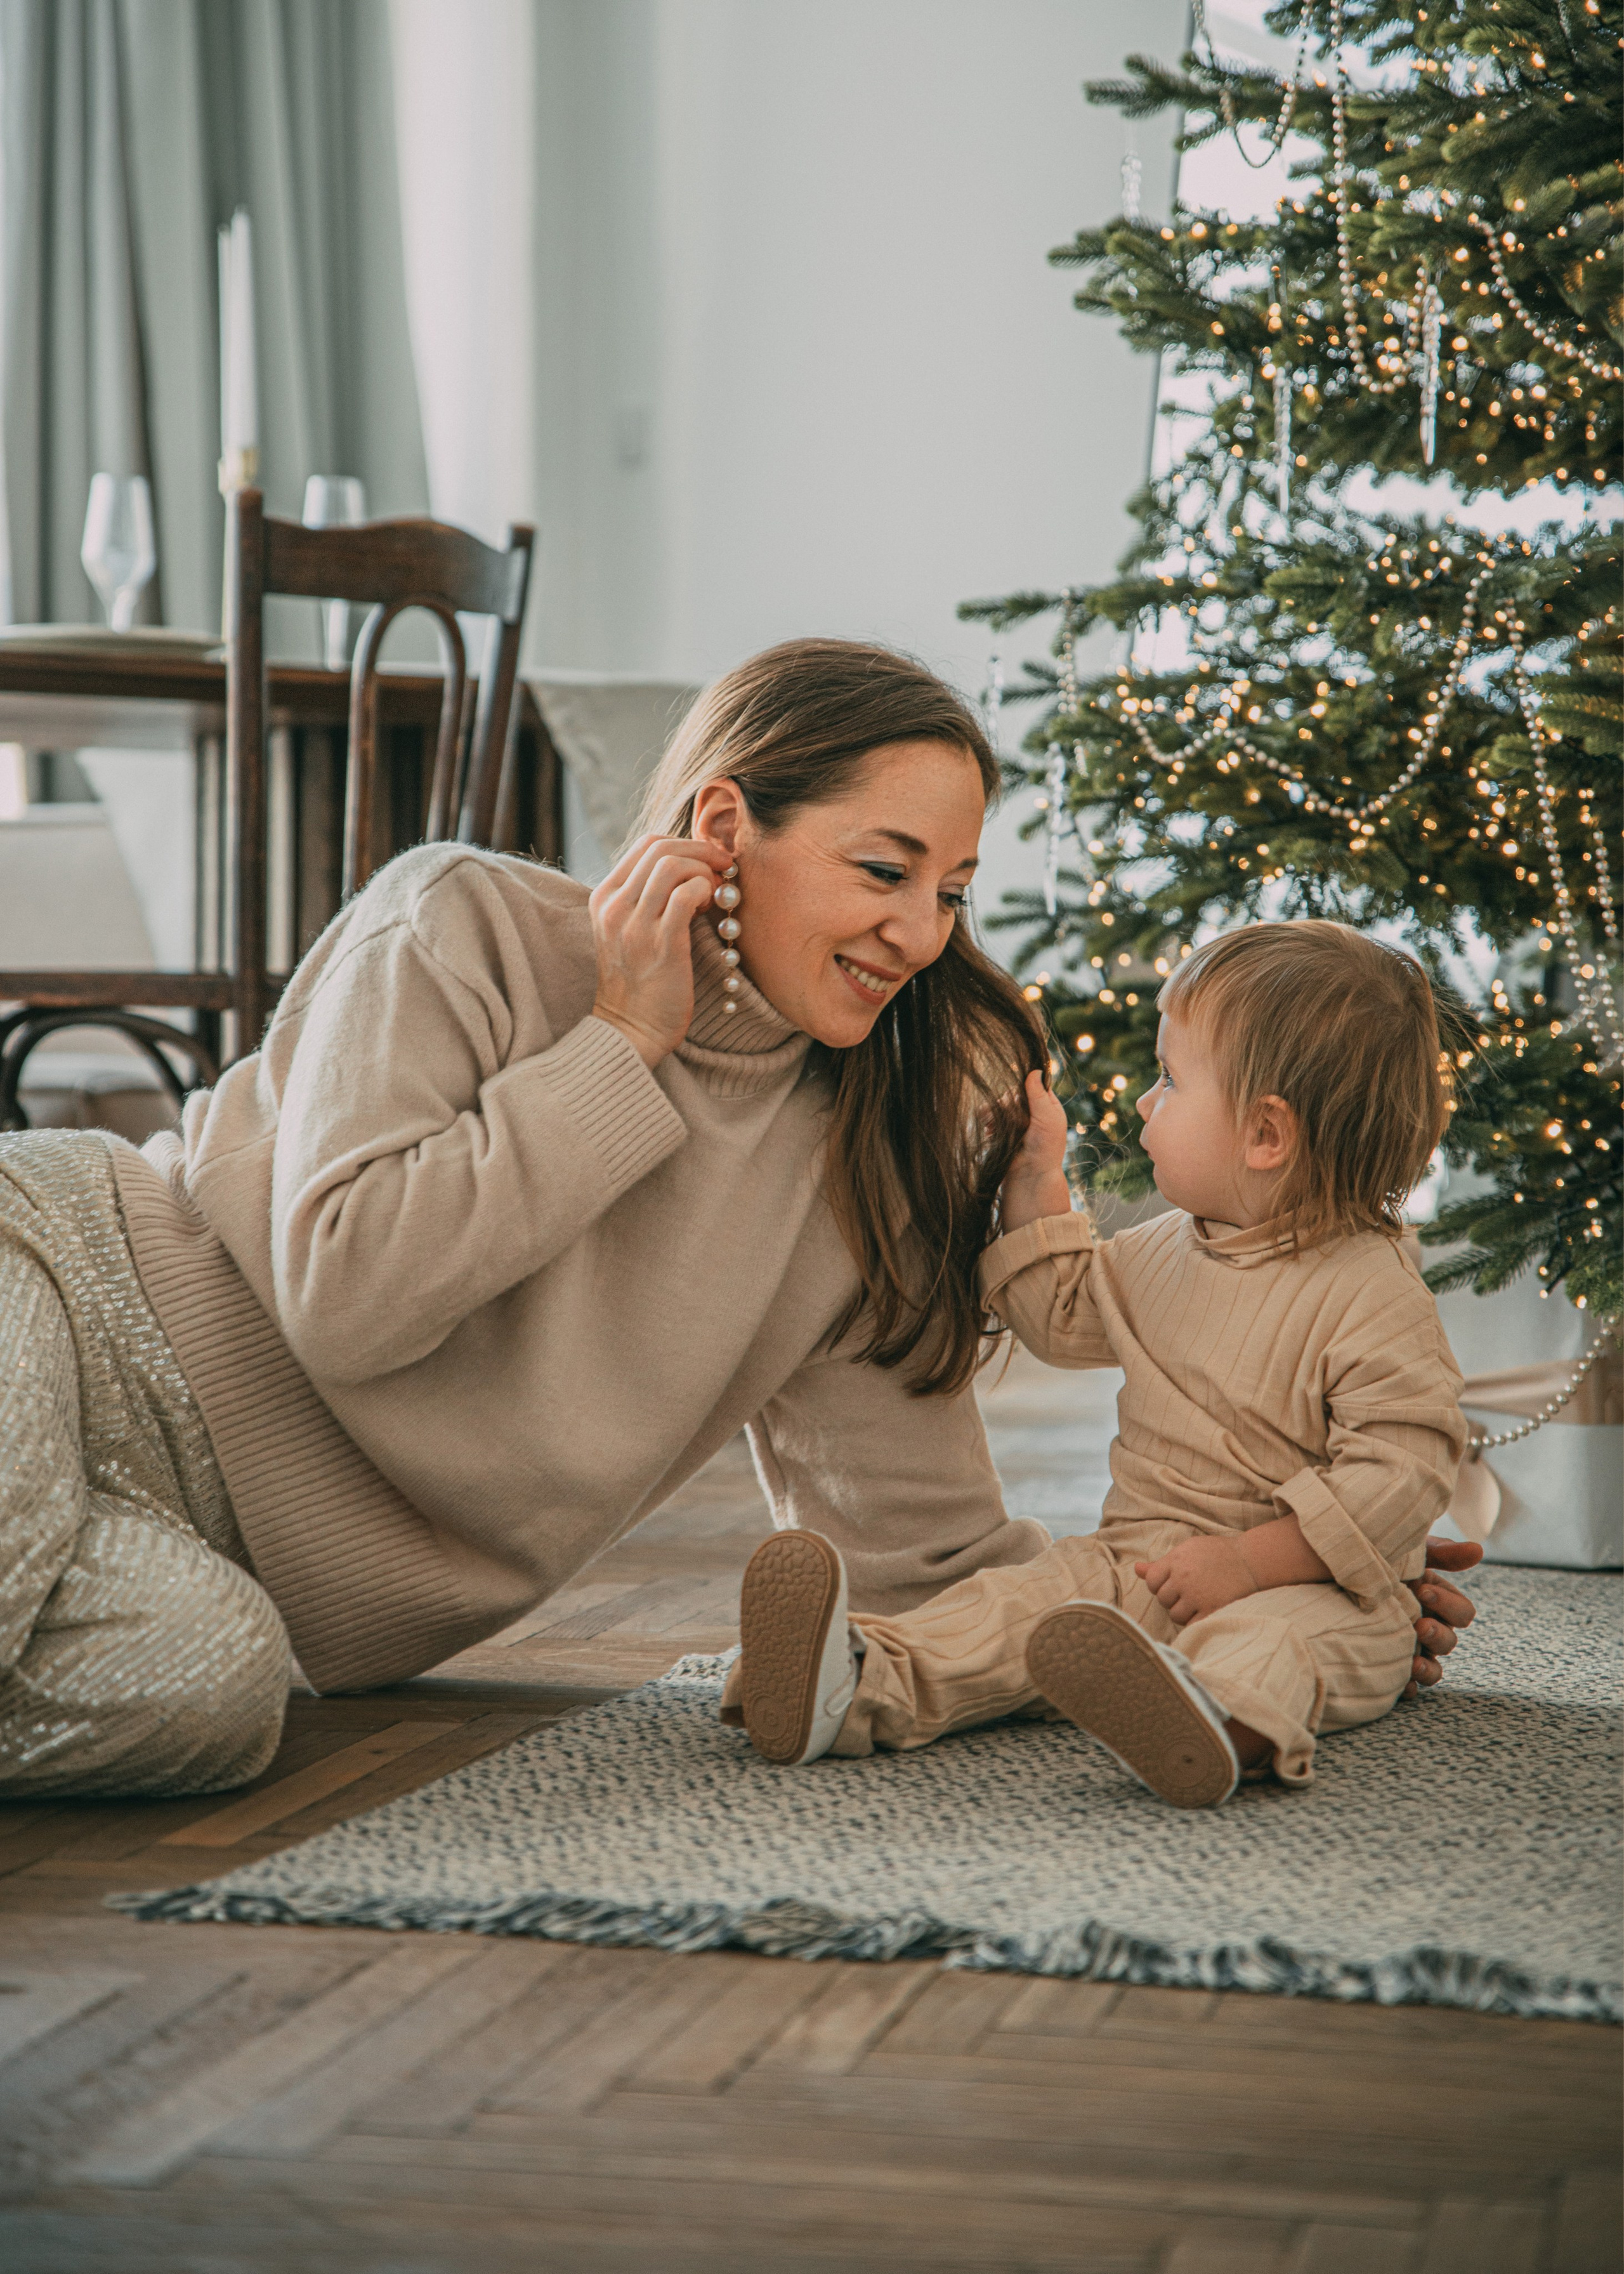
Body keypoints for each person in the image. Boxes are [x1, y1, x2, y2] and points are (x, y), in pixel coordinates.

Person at [0, 645, 1477, 1798]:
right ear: (726, 824)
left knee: (209, 1694)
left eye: (951, 892)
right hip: (61, 1294)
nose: (921, 934)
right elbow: (348, 1293)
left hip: (228, 1585)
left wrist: (1283, 1583)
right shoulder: (459, 925)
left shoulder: (873, 1147)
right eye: (883, 870)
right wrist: (624, 1047)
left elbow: (921, 1558)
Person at [729, 920, 1479, 1807]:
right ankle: (856, 1680)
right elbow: (1061, 1314)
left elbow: (1401, 1470)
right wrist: (1035, 1181)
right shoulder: (1166, 1251)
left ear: (1266, 1134)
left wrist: (1246, 1565)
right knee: (1024, 1604)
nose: (1145, 1105)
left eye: (1171, 1079)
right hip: (1141, 1559)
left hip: (1321, 1594)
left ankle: (1216, 1724)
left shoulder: (1372, 1293)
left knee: (1272, 1645)